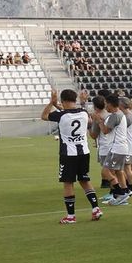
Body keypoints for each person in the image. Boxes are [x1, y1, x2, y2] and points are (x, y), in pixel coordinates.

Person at [41, 88, 102, 223]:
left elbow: (44, 116)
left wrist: (52, 102)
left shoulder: (61, 115)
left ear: (62, 101)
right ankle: (96, 208)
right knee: (85, 180)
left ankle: (71, 216)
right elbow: (71, 112)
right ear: (75, 100)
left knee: (68, 183)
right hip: (84, 152)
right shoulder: (84, 113)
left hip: (68, 154)